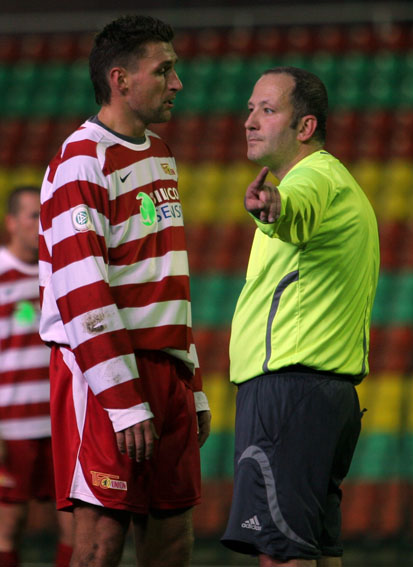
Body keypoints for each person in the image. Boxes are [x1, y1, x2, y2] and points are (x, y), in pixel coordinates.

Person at [38, 14, 211, 567]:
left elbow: (169, 278)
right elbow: (82, 290)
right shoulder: (81, 161)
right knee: (99, 545)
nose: (177, 83)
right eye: (164, 71)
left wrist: (192, 382)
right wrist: (122, 399)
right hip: (107, 377)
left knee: (173, 541)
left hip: (167, 371)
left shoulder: (160, 153)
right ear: (120, 79)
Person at [221, 67, 380, 567]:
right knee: (314, 551)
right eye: (250, 109)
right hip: (322, 396)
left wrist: (275, 206)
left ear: (305, 127)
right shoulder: (337, 181)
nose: (250, 121)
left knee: (281, 553)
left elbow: (295, 210)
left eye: (268, 110)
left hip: (288, 394)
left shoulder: (310, 178)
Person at [0, 186, 73, 567]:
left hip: (61, 420)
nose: (41, 224)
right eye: (33, 216)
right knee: (8, 525)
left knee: (75, 525)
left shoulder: (60, 272)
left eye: (46, 215)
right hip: (12, 425)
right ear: (11, 222)